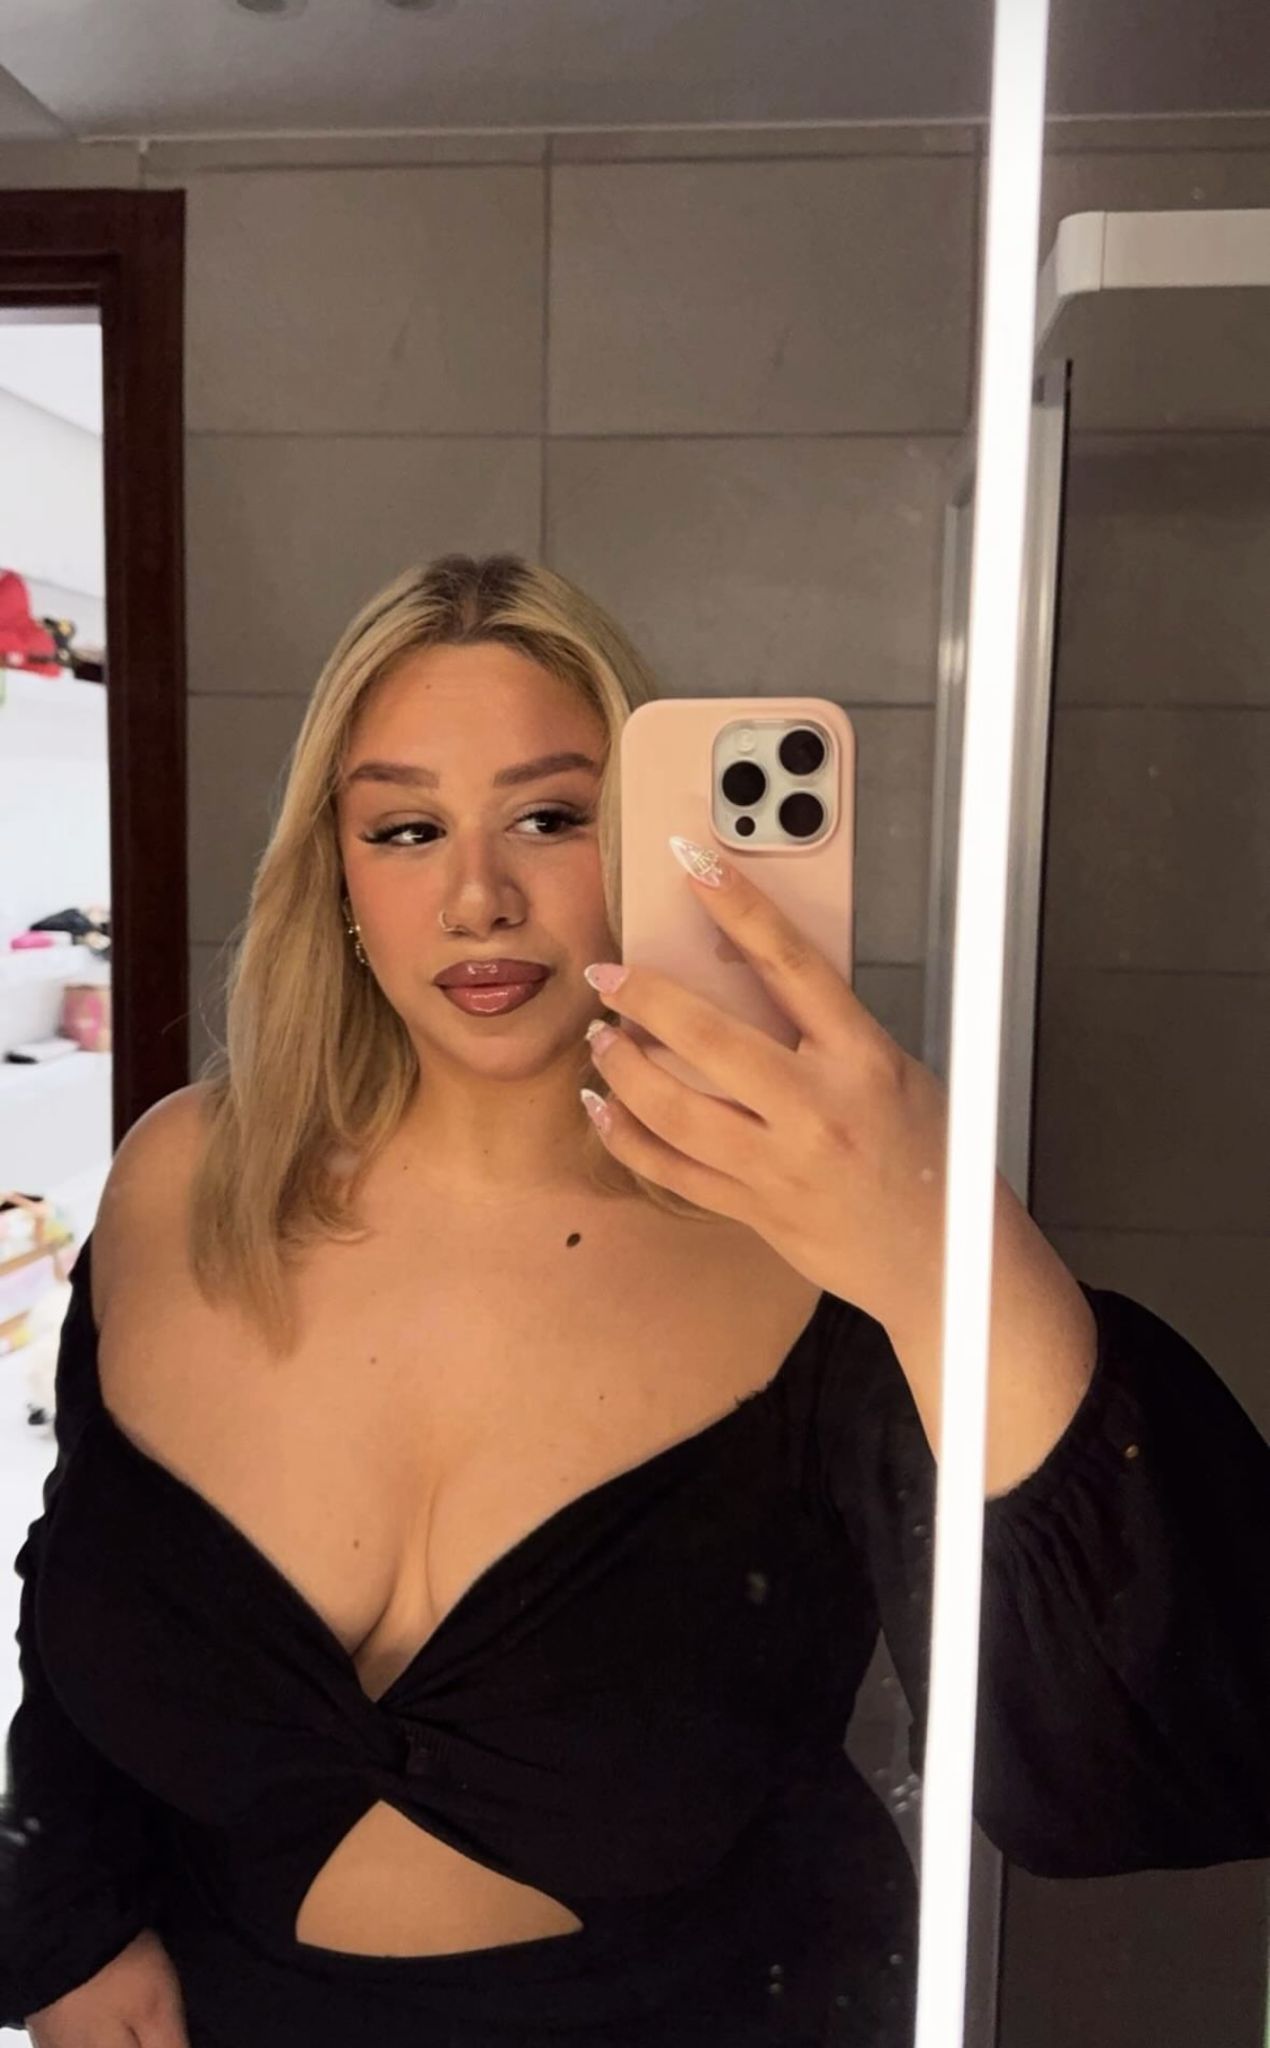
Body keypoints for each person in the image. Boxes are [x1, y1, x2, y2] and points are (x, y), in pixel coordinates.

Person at [1, 554, 1267, 2048]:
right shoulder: (185, 1181)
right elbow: (84, 1577)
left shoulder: (814, 1243)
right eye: (406, 829)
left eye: (551, 818)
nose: (479, 896)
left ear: (655, 848)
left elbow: (1134, 1775)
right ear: (335, 881)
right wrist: (62, 1927)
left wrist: (938, 1237)